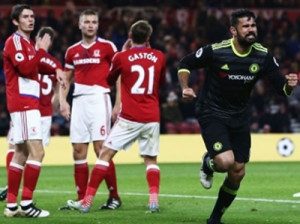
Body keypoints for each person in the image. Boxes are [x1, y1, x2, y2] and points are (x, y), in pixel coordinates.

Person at [177, 9, 298, 224]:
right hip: (212, 112)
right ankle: (208, 162)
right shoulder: (217, 51)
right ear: (234, 30)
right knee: (225, 162)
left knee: (238, 172)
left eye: (253, 26)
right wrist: (185, 87)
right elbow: (185, 63)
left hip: (239, 116)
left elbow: (280, 88)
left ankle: (214, 219)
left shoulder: (262, 55)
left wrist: (288, 86)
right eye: (246, 26)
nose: (251, 30)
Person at [66, 20, 166, 213]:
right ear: (148, 38)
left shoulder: (122, 57)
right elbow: (159, 81)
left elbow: (110, 80)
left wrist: (122, 54)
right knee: (150, 160)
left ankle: (86, 201)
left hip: (130, 117)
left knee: (105, 154)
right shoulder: (159, 56)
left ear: (130, 37)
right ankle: (153, 201)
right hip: (152, 116)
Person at [3, 4, 65, 218]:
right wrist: (41, 51)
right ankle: (27, 204)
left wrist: (55, 68)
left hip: (27, 102)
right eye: (25, 17)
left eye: (32, 16)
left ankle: (11, 206)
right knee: (38, 152)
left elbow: (37, 66)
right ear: (15, 21)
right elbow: (27, 69)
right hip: (23, 102)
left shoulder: (28, 44)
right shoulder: (15, 42)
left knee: (20, 154)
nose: (31, 20)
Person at [59, 9, 121, 210]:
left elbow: (120, 75)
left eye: (94, 21)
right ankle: (81, 198)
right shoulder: (72, 51)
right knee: (78, 150)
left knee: (100, 148)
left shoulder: (107, 47)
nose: (90, 25)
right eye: (86, 22)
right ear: (79, 25)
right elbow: (65, 79)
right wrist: (63, 101)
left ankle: (114, 196)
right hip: (78, 101)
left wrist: (119, 102)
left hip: (99, 99)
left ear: (97, 25)